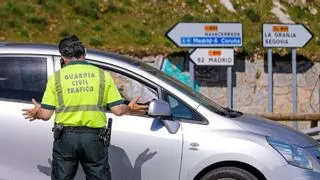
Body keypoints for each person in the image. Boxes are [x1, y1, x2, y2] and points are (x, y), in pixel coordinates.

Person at [22, 35, 148, 180]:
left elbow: (45, 115)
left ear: (62, 57)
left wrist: (38, 112)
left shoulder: (56, 78)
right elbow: (118, 110)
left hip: (66, 138)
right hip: (94, 139)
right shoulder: (102, 76)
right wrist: (129, 108)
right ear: (85, 53)